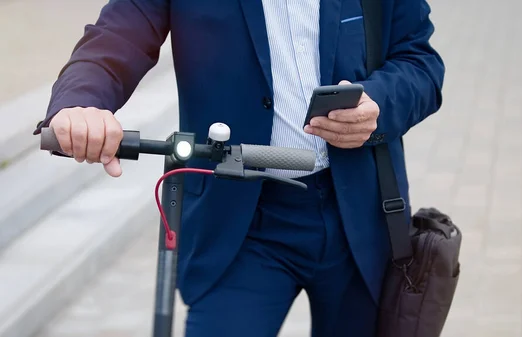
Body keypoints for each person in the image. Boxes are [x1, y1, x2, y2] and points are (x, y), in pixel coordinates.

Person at [34, 0, 444, 336]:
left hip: (360, 216)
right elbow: (118, 34)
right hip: (239, 221)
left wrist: (379, 103)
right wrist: (80, 102)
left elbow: (420, 61)